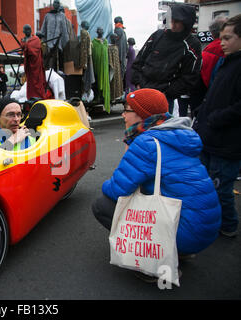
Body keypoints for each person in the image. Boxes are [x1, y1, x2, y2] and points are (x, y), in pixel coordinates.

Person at [92, 89, 221, 260]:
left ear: (142, 114)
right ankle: (180, 252)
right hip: (205, 228)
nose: (123, 114)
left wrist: (109, 180)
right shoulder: (177, 134)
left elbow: (116, 190)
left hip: (186, 232)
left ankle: (157, 260)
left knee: (101, 205)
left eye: (127, 110)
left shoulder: (147, 142)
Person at [193, 14, 241, 238]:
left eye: (228, 38)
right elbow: (213, 95)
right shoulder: (225, 62)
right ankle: (213, 222)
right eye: (221, 37)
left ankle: (229, 226)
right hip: (210, 137)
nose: (222, 42)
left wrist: (216, 118)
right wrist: (202, 116)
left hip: (228, 141)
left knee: (222, 189)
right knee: (206, 184)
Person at [131, 3, 202, 113]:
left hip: (164, 97)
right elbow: (139, 61)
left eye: (177, 22)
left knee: (159, 127)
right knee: (139, 127)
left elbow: (190, 76)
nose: (173, 25)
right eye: (171, 20)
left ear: (186, 23)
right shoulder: (157, 35)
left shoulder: (192, 44)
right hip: (143, 90)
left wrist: (168, 93)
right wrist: (138, 83)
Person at [21, 24, 50, 100]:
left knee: (38, 83)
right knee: (30, 84)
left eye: (27, 30)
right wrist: (26, 45)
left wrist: (26, 45)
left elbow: (32, 49)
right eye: (25, 31)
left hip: (36, 65)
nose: (26, 32)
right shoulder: (24, 40)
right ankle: (31, 98)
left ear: (30, 30)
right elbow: (24, 48)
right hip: (29, 66)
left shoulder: (36, 39)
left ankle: (39, 98)